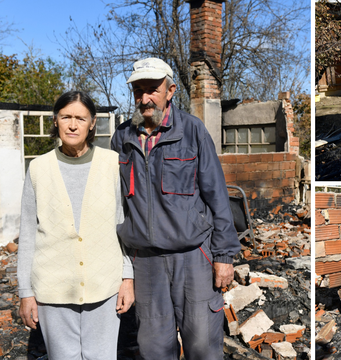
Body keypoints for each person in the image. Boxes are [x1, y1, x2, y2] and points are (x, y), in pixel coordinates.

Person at [110, 58, 240, 360]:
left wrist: (223, 256)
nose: (144, 98)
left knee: (203, 346)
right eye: (138, 91)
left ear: (169, 91)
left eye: (152, 90)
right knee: (154, 349)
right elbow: (115, 205)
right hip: (146, 262)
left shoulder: (192, 131)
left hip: (192, 258)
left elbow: (217, 197)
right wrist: (123, 270)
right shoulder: (122, 138)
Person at [17, 91, 135, 360]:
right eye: (66, 117)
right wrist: (26, 292)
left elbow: (123, 225)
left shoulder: (112, 164)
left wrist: (128, 278)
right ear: (55, 120)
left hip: (104, 286)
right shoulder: (38, 168)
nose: (72, 125)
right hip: (52, 288)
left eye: (80, 118)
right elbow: (28, 235)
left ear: (92, 123)